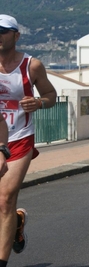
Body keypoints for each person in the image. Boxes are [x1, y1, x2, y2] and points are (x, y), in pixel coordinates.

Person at [0, 14, 57, 265]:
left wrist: (39, 102)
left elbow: (50, 95)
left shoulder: (31, 65)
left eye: (3, 31)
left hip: (19, 137)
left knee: (5, 198)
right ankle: (17, 221)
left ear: (16, 35)